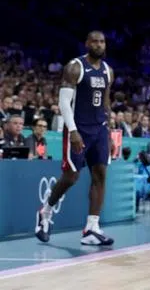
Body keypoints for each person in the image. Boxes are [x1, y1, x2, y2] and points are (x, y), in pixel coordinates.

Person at [35, 31, 116, 246]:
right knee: (71, 177)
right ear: (87, 44)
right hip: (78, 128)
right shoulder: (75, 67)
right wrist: (72, 131)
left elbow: (106, 102)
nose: (99, 45)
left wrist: (110, 131)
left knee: (100, 175)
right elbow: (64, 103)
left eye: (102, 42)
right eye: (95, 42)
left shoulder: (108, 71)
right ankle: (45, 211)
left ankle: (92, 227)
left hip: (99, 129)